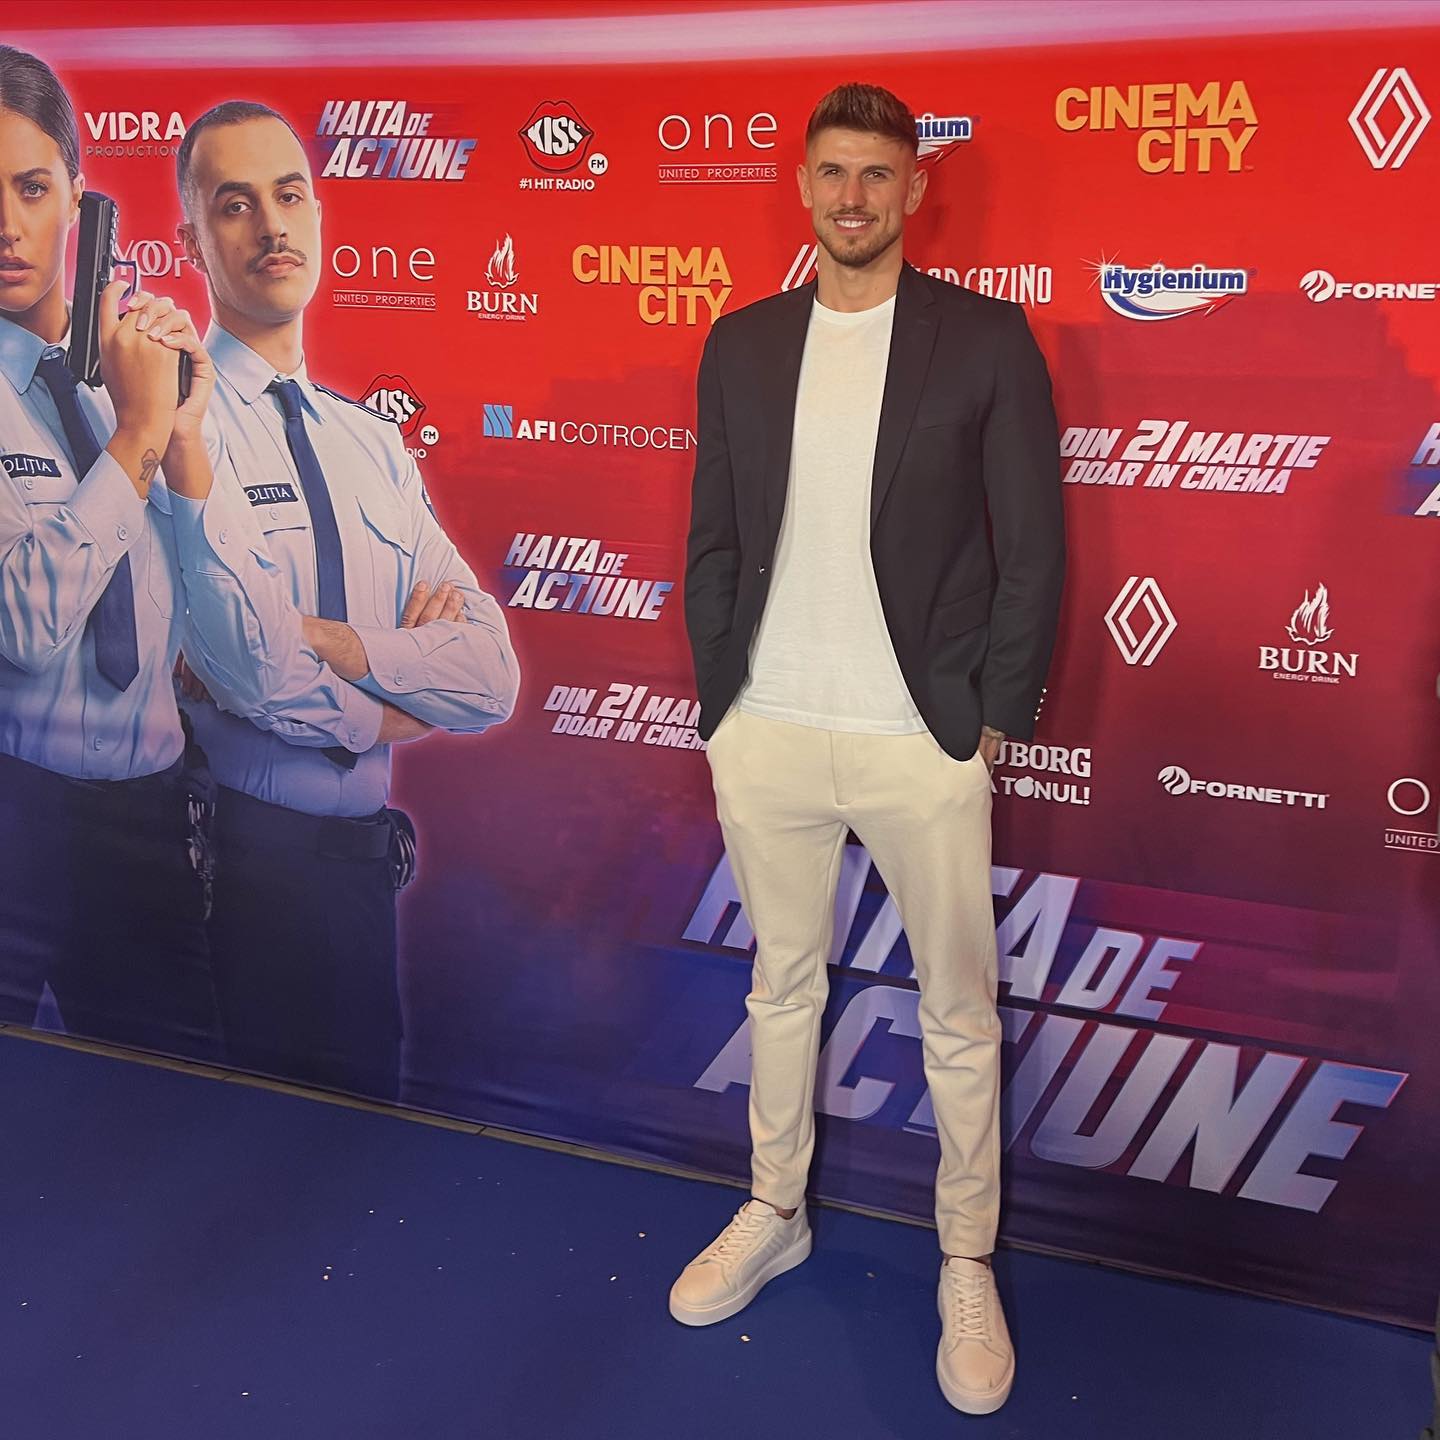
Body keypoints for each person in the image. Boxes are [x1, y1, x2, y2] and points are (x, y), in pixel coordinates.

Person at [675, 82, 1064, 1416]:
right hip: (769, 729)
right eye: (833, 172)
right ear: (803, 184)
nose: (852, 197)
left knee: (958, 1011)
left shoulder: (985, 339)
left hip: (920, 737)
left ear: (913, 192)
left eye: (877, 176)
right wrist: (723, 700)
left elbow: (1034, 546)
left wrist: (990, 716)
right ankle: (774, 1209)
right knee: (779, 989)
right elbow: (713, 535)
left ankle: (967, 1259)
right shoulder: (741, 342)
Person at [161, 100, 518, 1103]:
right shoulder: (177, 430)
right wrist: (395, 702)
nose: (272, 225)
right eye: (235, 204)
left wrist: (334, 646)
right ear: (191, 240)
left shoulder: (373, 444)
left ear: (318, 214)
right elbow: (249, 672)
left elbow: (490, 675)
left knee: (359, 1157)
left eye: (289, 195)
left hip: (360, 876)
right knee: (230, 1163)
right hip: (234, 869)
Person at [0, 45, 220, 1058]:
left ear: (79, 200)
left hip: (152, 817)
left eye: (31, 187)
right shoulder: (126, 407)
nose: (6, 226)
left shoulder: (136, 370)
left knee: (169, 1105)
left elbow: (219, 629)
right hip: (17, 811)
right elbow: (24, 626)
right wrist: (134, 438)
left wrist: (181, 438)